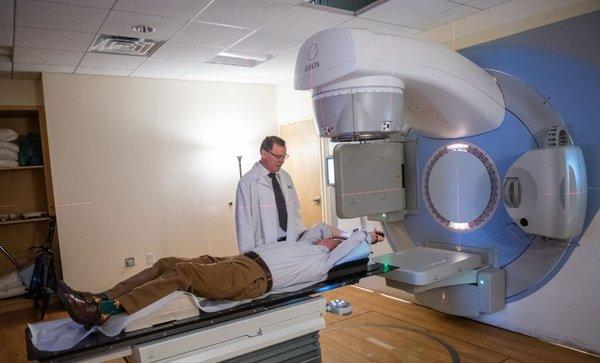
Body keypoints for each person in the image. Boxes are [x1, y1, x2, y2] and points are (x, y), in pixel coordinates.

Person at [57, 224, 384, 329]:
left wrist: (365, 234)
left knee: (181, 273)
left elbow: (354, 242)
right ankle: (99, 297)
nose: (328, 238)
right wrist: (336, 233)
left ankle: (106, 311)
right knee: (169, 261)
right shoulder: (308, 243)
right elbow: (323, 228)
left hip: (250, 278)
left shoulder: (321, 262)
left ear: (335, 249)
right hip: (239, 261)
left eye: (334, 242)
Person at [236, 136, 305, 253]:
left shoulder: (286, 177)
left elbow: (295, 210)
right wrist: (248, 257)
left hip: (290, 242)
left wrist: (302, 235)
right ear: (264, 153)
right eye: (278, 156)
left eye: (284, 156)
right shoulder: (247, 182)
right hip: (263, 248)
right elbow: (244, 224)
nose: (282, 160)